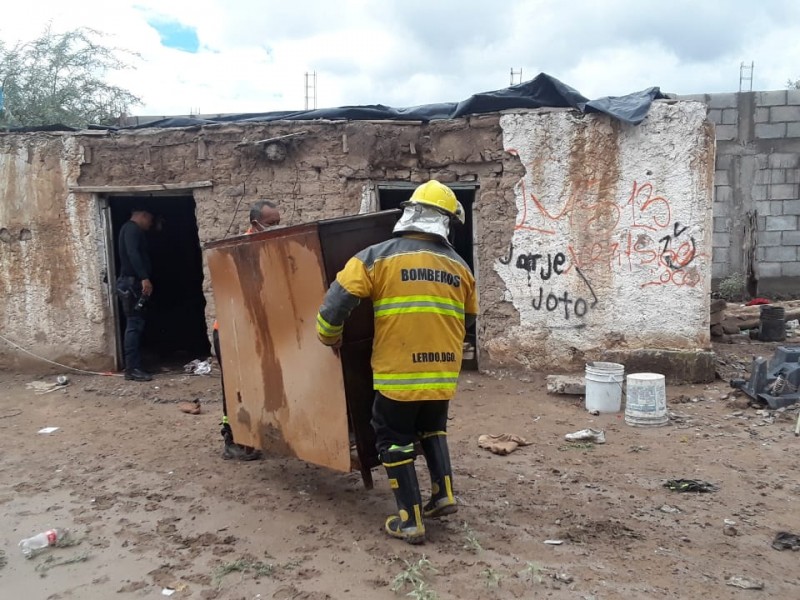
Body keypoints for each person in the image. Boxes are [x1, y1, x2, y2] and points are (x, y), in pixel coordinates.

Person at [316, 180, 478, 544]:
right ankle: (443, 494)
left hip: (398, 372)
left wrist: (329, 337)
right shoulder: (461, 267)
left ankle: (410, 520)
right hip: (441, 371)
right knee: (432, 428)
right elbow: (467, 318)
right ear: (446, 222)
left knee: (392, 437)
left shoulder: (375, 256)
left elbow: (334, 305)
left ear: (411, 212)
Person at [215, 199, 282, 460]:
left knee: (258, 384)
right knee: (234, 387)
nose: (276, 227)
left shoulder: (267, 245)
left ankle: (254, 436)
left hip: (253, 331)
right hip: (232, 331)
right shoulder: (240, 251)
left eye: (278, 222)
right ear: (255, 224)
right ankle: (231, 440)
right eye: (271, 224)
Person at [117, 208, 155, 382]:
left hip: (130, 282)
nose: (150, 224)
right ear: (143, 215)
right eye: (150, 220)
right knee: (134, 324)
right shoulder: (132, 229)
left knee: (136, 323)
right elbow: (133, 253)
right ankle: (132, 369)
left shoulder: (127, 229)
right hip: (132, 283)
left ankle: (135, 366)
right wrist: (144, 278)